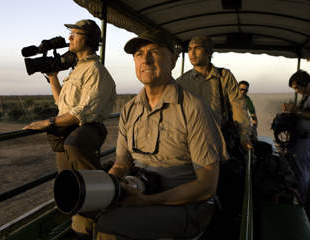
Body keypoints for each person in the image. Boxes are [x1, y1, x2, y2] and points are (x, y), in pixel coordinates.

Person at [72, 30, 227, 240]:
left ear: (172, 61)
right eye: (138, 54)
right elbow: (120, 165)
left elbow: (207, 186)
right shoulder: (130, 109)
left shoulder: (194, 108)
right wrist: (102, 192)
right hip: (140, 189)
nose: (145, 59)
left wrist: (146, 201)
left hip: (187, 205)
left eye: (154, 51)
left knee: (110, 226)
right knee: (82, 218)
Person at [23, 19, 117, 172]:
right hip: (68, 131)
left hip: (87, 128)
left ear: (89, 38)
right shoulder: (78, 69)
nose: (69, 38)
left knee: (76, 148)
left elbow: (82, 113)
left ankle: (104, 185)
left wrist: (47, 122)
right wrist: (53, 77)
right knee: (66, 180)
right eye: (70, 33)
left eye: (75, 34)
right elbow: (62, 104)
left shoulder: (95, 71)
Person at [176, 36, 253, 151]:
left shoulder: (224, 76)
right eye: (189, 49)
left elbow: (238, 106)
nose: (192, 53)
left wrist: (244, 135)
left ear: (208, 52)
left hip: (220, 137)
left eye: (197, 48)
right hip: (191, 140)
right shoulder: (182, 82)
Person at [282, 70, 310, 205]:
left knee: (301, 172)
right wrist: (293, 111)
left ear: (303, 82)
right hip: (300, 138)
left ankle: (300, 203)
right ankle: (295, 197)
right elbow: (304, 113)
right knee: (295, 168)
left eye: (296, 87)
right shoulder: (309, 95)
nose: (296, 91)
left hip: (306, 139)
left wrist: (296, 110)